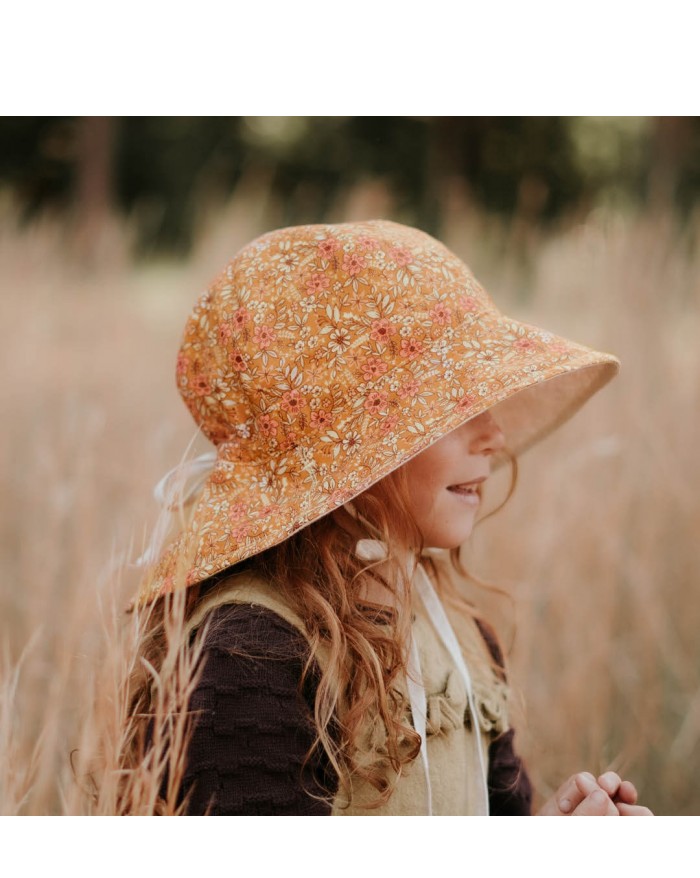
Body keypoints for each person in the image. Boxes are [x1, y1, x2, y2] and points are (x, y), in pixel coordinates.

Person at [124, 219, 652, 816]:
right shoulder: (250, 655)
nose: (494, 434)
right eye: (452, 408)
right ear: (353, 447)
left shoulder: (460, 634)